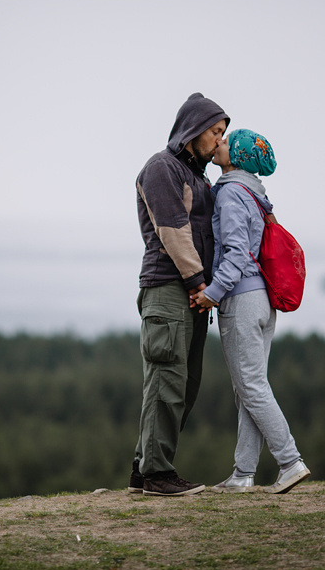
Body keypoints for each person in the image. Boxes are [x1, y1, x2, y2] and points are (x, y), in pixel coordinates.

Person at [191, 129, 311, 494]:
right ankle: (243, 474)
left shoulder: (230, 193)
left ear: (238, 157)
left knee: (252, 387)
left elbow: (236, 253)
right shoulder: (254, 194)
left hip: (241, 300)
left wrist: (211, 294)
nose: (219, 143)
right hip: (261, 301)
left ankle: (290, 461)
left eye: (227, 142)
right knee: (250, 388)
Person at [129, 93, 230, 497]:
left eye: (223, 132)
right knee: (167, 380)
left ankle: (144, 469)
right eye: (215, 131)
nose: (220, 139)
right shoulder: (162, 167)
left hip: (191, 291)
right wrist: (200, 284)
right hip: (170, 288)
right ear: (193, 129)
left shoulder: (197, 176)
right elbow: (173, 230)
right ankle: (157, 473)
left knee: (184, 385)